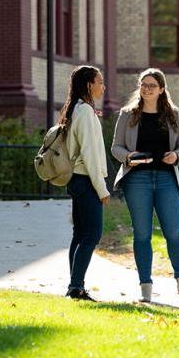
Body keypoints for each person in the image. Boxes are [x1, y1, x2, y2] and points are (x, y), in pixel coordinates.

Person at [111, 68, 179, 302]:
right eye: (143, 84)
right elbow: (116, 147)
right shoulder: (127, 114)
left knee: (174, 232)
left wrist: (176, 156)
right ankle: (145, 285)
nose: (146, 88)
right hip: (137, 179)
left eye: (152, 85)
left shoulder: (173, 115)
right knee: (142, 234)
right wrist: (129, 156)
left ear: (162, 89)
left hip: (166, 178)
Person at [59, 65, 110, 301]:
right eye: (100, 81)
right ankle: (76, 287)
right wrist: (102, 189)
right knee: (91, 235)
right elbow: (90, 155)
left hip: (77, 180)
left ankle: (74, 285)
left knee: (79, 235)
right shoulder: (86, 113)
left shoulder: (76, 110)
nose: (103, 86)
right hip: (86, 181)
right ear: (89, 84)